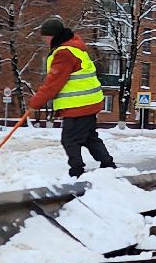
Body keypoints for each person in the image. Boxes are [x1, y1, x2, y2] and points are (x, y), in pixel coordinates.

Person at [27, 18, 116, 178]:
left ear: (52, 36)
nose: (44, 41)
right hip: (90, 101)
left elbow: (53, 82)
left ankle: (76, 172)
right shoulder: (74, 48)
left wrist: (36, 102)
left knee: (70, 140)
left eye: (45, 37)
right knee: (89, 137)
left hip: (79, 104)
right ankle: (107, 164)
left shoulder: (64, 53)